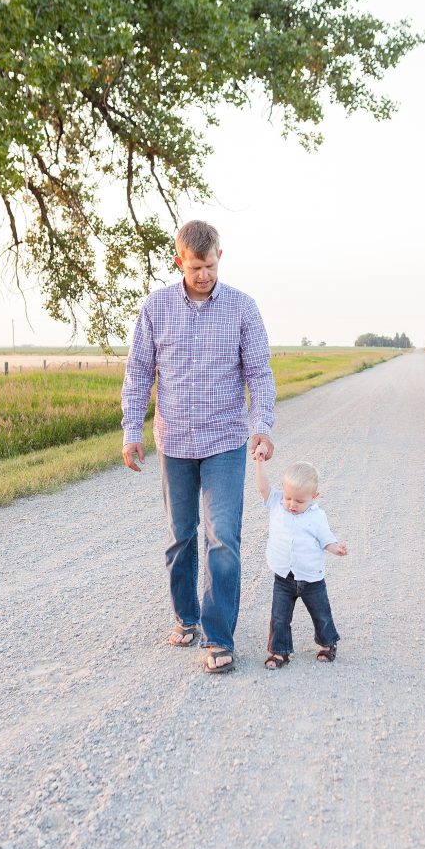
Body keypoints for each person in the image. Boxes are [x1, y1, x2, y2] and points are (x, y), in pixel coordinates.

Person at [121, 220, 275, 674]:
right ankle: (186, 617)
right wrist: (132, 430)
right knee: (180, 537)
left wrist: (261, 425)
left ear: (219, 258)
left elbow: (260, 374)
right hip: (175, 441)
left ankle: (218, 637)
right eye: (195, 267)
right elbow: (138, 373)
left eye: (209, 265)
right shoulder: (156, 307)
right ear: (179, 261)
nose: (203, 274)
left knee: (222, 537)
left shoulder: (243, 309)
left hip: (226, 439)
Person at [254, 453, 346, 668]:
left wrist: (336, 548)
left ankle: (327, 643)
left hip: (311, 579)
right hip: (284, 576)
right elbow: (262, 487)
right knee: (279, 617)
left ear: (314, 496)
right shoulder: (277, 503)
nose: (292, 504)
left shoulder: (316, 516)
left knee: (320, 613)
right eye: (288, 498)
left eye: (299, 500)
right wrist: (259, 463)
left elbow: (326, 540)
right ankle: (279, 652)